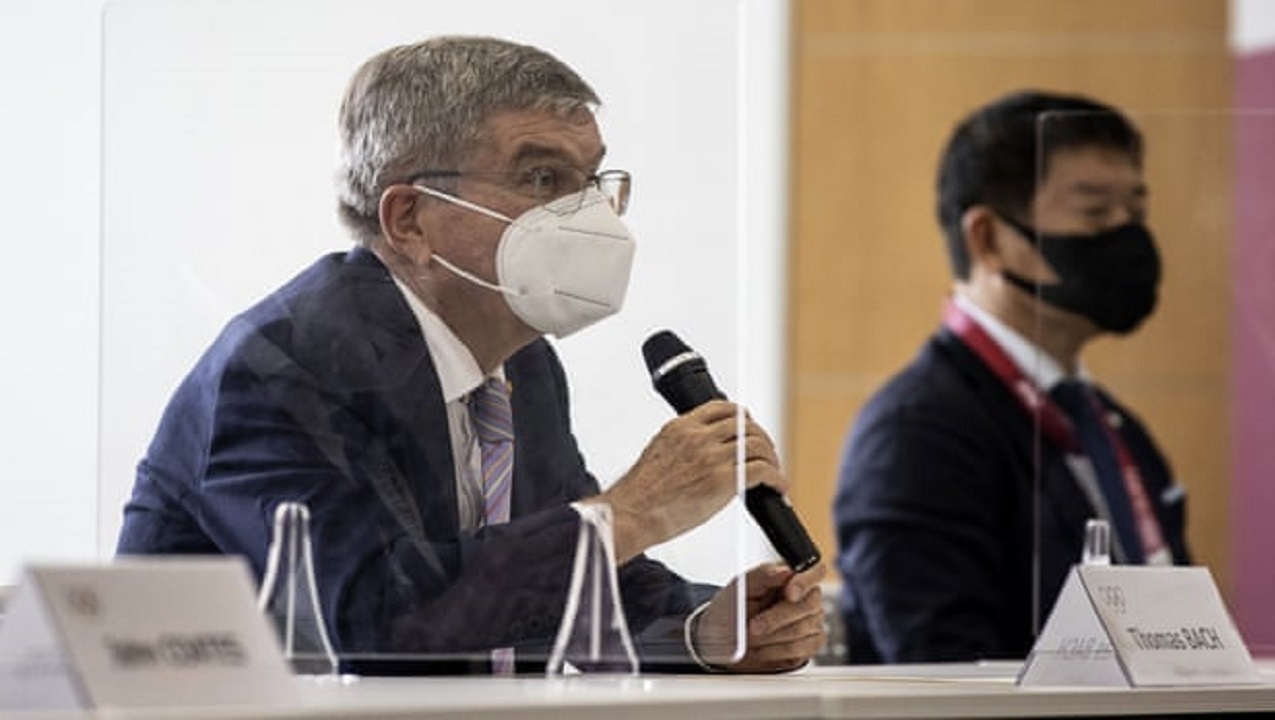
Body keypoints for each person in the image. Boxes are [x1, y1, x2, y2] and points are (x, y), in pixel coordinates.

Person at [116, 35, 825, 674]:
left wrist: (707, 631)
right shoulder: (286, 364)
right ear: (409, 219)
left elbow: (557, 591)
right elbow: (371, 618)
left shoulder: (523, 363)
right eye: (542, 179)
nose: (591, 216)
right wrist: (627, 514)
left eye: (592, 182)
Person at [832, 90, 1191, 664]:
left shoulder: (1113, 425)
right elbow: (942, 674)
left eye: (1136, 213)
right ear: (988, 238)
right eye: (1096, 213)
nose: (1128, 236)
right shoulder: (918, 432)